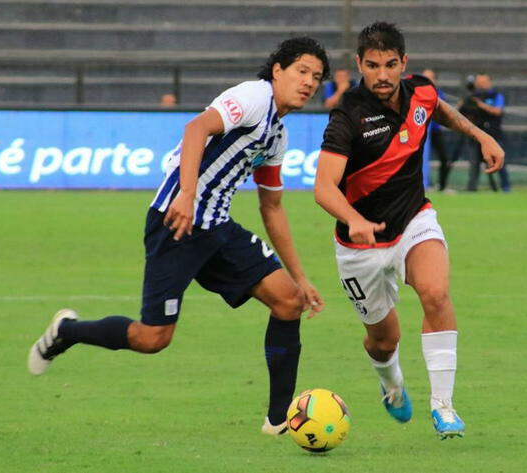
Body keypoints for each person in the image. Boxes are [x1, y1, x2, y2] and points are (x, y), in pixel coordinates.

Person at [28, 37, 329, 436]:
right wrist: (186, 195)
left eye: (317, 77)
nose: (309, 82)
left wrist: (302, 277)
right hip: (177, 223)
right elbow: (196, 128)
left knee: (289, 300)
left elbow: (271, 207)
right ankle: (67, 331)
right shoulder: (254, 97)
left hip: (218, 228)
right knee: (152, 338)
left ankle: (280, 420)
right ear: (278, 71)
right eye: (302, 71)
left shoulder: (277, 136)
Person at [314, 22, 504, 439]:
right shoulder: (348, 115)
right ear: (359, 64)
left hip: (414, 220)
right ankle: (392, 385)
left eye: (391, 64)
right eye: (372, 65)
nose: (382, 75)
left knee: (435, 293)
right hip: (359, 245)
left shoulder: (421, 90)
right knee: (383, 341)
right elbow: (323, 187)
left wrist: (478, 134)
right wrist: (355, 218)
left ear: (405, 63)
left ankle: (443, 406)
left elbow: (438, 108)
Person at [465, 74, 511, 192]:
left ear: (489, 82)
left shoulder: (496, 95)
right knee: (474, 163)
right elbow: (464, 113)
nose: (481, 85)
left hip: (494, 134)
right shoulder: (472, 97)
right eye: (479, 82)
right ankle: (472, 189)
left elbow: (497, 111)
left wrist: (481, 105)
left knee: (500, 161)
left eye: (483, 82)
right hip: (477, 136)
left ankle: (506, 188)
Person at [421, 68, 453, 192]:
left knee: (444, 158)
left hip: (434, 129)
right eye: (425, 77)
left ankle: (442, 186)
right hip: (419, 130)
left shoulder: (439, 94)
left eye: (430, 77)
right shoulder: (414, 92)